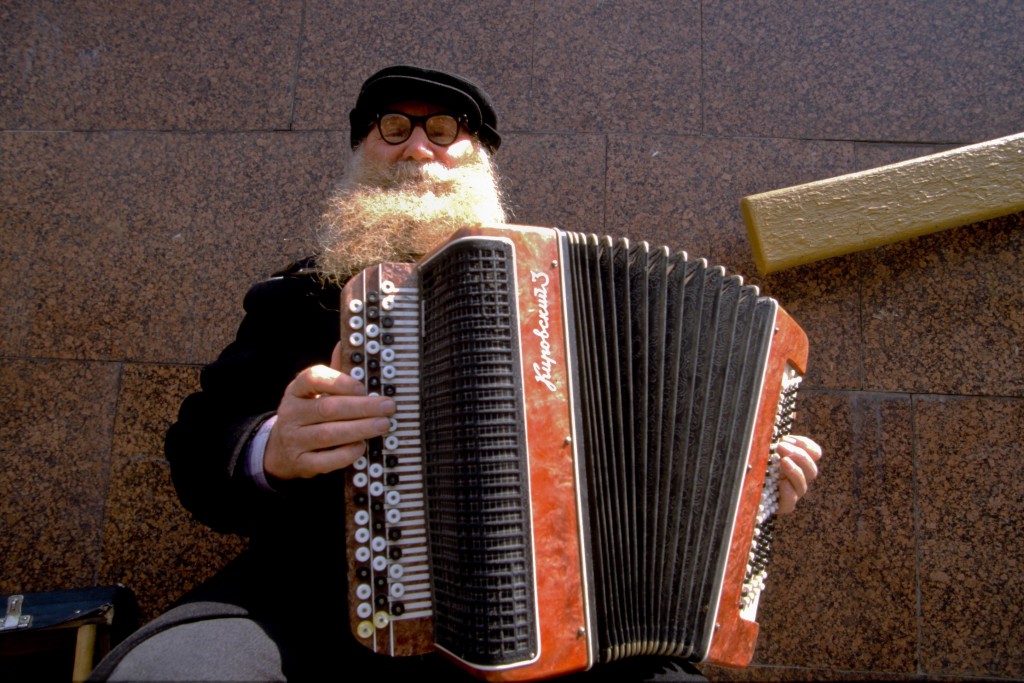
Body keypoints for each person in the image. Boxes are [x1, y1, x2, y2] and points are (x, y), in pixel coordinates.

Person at [90, 65, 822, 682]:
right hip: (322, 605)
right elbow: (198, 444)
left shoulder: (568, 299)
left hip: (557, 614)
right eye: (394, 128)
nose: (418, 149)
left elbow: (665, 444)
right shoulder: (295, 297)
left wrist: (749, 483)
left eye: (445, 131)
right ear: (363, 153)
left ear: (477, 159)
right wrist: (272, 446)